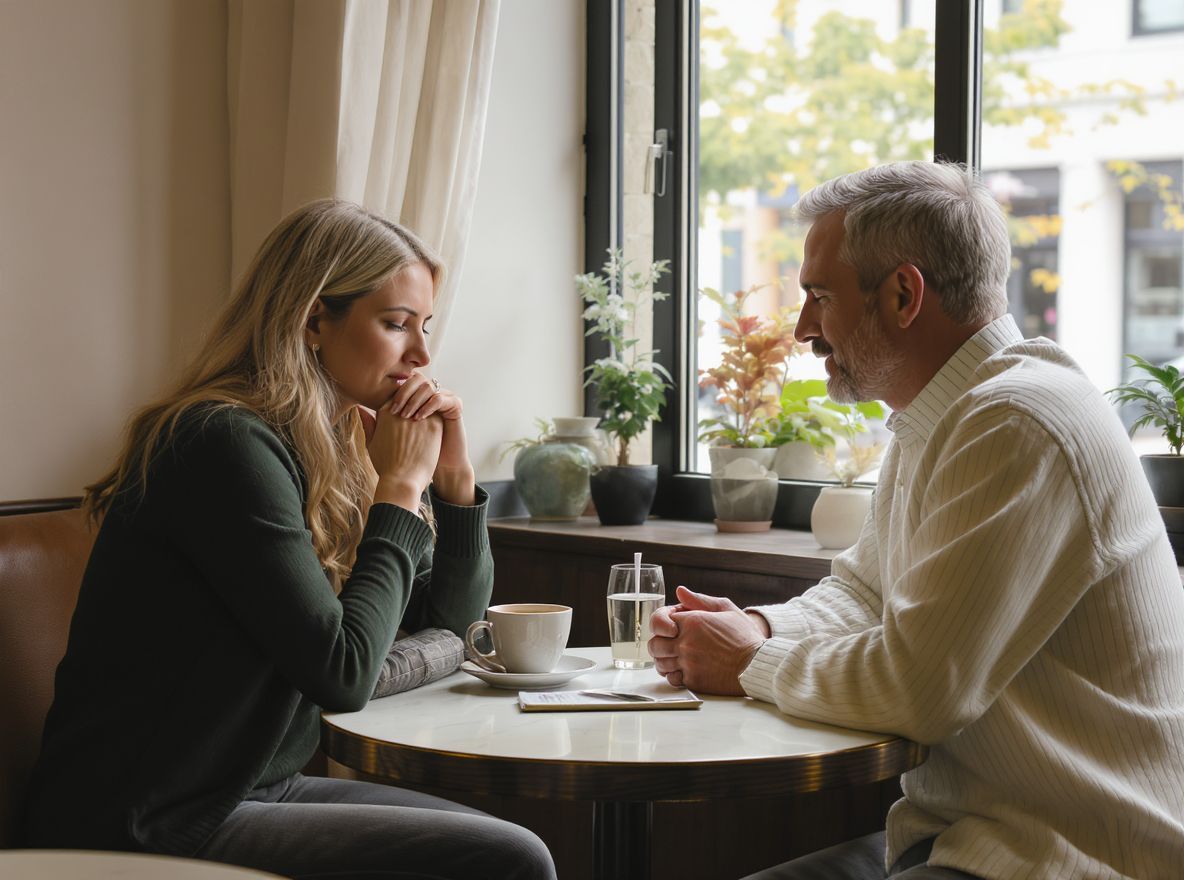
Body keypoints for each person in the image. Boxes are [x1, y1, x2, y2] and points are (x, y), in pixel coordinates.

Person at [649, 162, 1184, 880]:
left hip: (1067, 854)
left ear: (903, 294)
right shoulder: (940, 416)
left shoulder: (1019, 422)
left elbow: (921, 688)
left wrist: (747, 661)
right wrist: (761, 628)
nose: (803, 327)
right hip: (974, 836)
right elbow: (864, 595)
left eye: (819, 296)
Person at [23, 199, 557, 880]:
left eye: (425, 327)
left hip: (251, 789)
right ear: (312, 321)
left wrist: (451, 484)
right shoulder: (219, 441)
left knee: (503, 842)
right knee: (509, 859)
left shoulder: (331, 446)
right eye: (396, 325)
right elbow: (342, 674)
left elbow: (451, 624)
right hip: (147, 819)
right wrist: (398, 488)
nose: (423, 355)